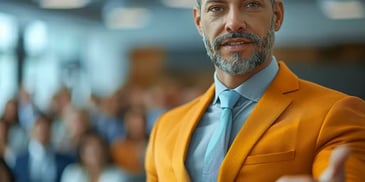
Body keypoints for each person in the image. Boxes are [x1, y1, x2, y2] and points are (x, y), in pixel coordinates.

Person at [145, 0, 365, 182]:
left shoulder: (337, 114)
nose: (233, 23)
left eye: (251, 4)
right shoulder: (165, 128)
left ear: (277, 15)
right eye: (216, 8)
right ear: (199, 22)